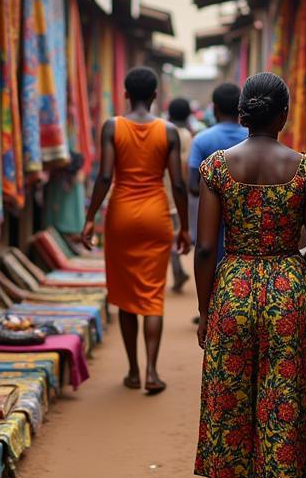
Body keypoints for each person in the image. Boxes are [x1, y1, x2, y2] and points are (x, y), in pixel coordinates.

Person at [193, 72, 306, 478]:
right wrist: (288, 263)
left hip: (231, 292)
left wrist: (203, 309)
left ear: (242, 116)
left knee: (236, 408)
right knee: (285, 405)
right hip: (289, 294)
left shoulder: (215, 168)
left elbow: (206, 246)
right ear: (283, 115)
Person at [82, 67, 191, 394]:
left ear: (125, 94)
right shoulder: (169, 131)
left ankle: (132, 371)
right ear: (156, 96)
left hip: (121, 216)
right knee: (152, 295)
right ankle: (153, 373)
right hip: (156, 215)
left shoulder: (112, 127)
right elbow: (179, 184)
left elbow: (104, 177)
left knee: (126, 295)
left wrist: (90, 218)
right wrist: (184, 226)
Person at [188, 82, 247, 258]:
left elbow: (192, 185)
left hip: (212, 222)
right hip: (247, 221)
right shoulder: (252, 137)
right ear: (240, 108)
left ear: (215, 109)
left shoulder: (201, 140)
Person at [166, 97, 194, 292]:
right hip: (177, 190)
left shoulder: (164, 131)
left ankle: (177, 271)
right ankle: (177, 271)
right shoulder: (186, 135)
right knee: (174, 233)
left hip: (163, 189)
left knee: (170, 233)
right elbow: (185, 166)